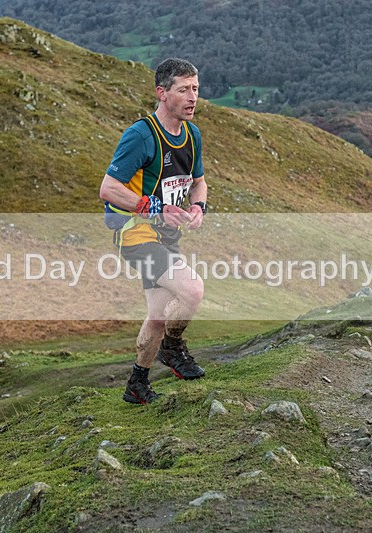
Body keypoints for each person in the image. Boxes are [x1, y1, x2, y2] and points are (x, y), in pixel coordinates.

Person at [99, 58, 208, 405]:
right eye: (183, 90)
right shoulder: (140, 136)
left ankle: (137, 384)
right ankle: (173, 351)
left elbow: (199, 182)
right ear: (162, 93)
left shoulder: (192, 134)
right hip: (135, 235)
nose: (192, 98)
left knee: (158, 316)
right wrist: (158, 209)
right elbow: (109, 188)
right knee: (192, 290)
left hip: (167, 238)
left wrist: (197, 208)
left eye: (195, 89)